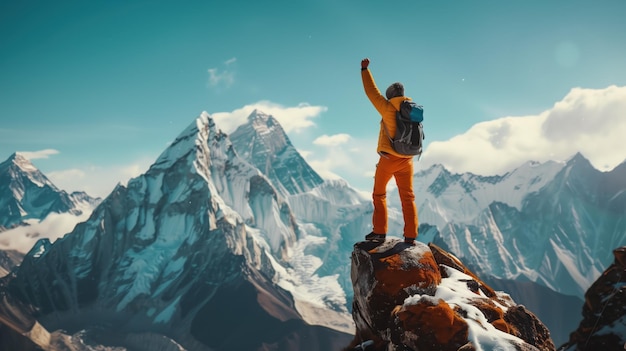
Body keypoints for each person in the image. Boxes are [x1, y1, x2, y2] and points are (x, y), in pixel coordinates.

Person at [360, 57, 418, 245]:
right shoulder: (412, 111)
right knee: (407, 197)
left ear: (390, 95)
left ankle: (379, 232)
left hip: (389, 159)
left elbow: (371, 92)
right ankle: (410, 235)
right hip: (407, 160)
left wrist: (364, 70)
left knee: (379, 194)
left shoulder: (387, 108)